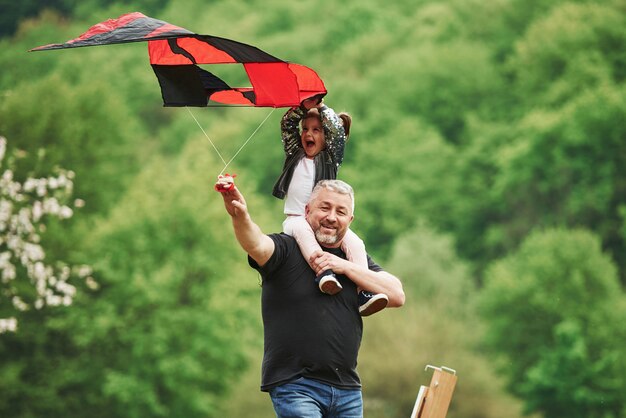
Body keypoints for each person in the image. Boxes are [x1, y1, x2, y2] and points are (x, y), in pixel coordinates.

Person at [216, 178, 405, 418]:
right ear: (307, 211)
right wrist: (239, 216)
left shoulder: (354, 261)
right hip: (296, 385)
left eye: (341, 211)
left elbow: (397, 294)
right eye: (324, 208)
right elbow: (256, 244)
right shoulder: (287, 249)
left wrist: (344, 267)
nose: (331, 217)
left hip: (347, 390)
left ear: (350, 220)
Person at [272, 96, 388, 316]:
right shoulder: (294, 153)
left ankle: (364, 291)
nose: (308, 134)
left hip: (323, 220)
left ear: (327, 138)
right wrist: (303, 108)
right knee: (304, 234)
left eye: (316, 130)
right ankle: (324, 272)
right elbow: (286, 124)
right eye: (305, 129)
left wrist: (321, 107)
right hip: (297, 217)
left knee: (355, 243)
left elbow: (336, 131)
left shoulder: (330, 157)